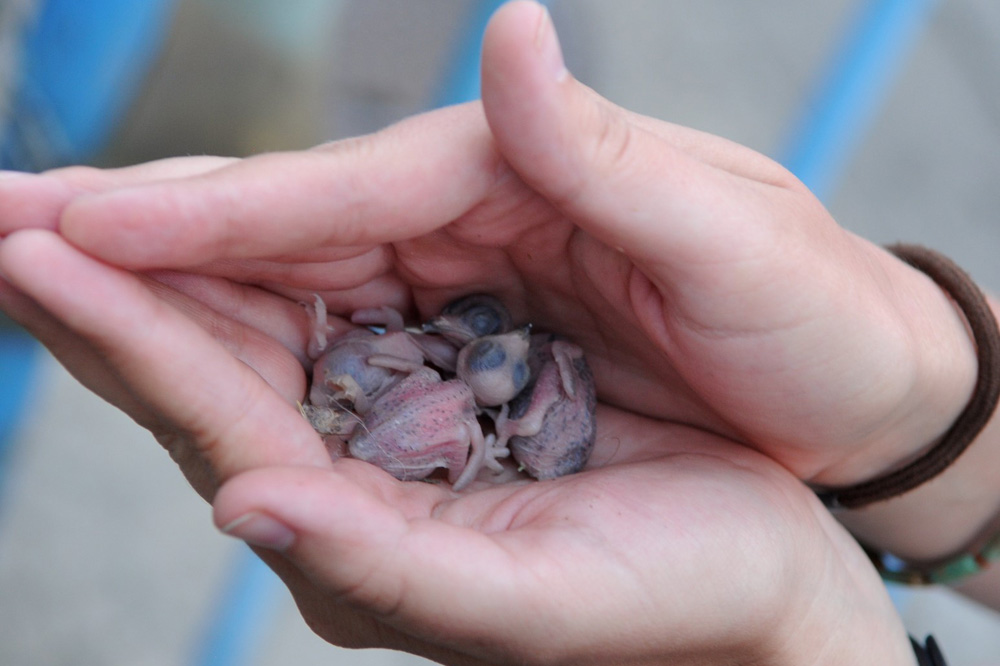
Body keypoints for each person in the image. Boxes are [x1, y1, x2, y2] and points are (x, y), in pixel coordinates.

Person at [0, 1, 994, 663]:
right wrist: (919, 406)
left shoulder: (501, 404)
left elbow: (475, 405)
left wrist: (815, 629)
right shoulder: (450, 367)